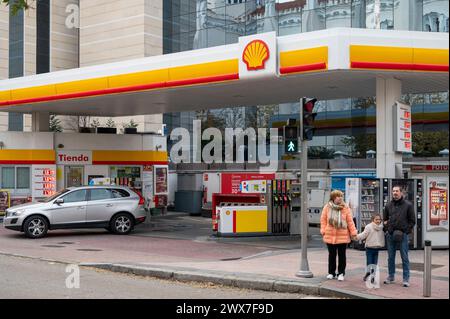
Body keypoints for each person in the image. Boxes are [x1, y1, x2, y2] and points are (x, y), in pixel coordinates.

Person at [320, 190, 357, 281]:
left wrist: (353, 233)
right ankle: (331, 273)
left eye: (341, 196)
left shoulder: (346, 208)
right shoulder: (327, 207)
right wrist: (323, 230)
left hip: (343, 236)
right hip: (330, 235)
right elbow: (323, 220)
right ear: (333, 198)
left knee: (342, 256)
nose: (340, 198)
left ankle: (341, 273)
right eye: (338, 196)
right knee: (331, 255)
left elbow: (350, 221)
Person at [383, 185, 415, 287]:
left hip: (403, 235)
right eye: (393, 191)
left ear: (401, 193)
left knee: (404, 257)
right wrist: (388, 230)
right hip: (391, 235)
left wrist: (405, 231)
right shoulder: (388, 205)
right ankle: (391, 276)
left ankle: (406, 279)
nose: (395, 193)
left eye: (397, 191)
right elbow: (385, 220)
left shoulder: (408, 205)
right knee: (390, 257)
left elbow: (412, 221)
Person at [356, 213, 385, 283]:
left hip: (377, 248)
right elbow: (364, 234)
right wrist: (356, 237)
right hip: (369, 248)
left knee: (374, 263)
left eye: (379, 219)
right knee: (369, 263)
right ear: (372, 220)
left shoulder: (381, 227)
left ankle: (373, 276)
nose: (378, 221)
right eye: (376, 219)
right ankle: (368, 273)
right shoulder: (369, 227)